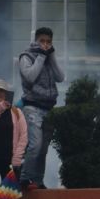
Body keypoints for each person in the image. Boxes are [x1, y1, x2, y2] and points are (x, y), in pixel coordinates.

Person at [18, 27, 65, 189]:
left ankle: (37, 181)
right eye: (42, 41)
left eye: (48, 42)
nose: (45, 44)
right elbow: (30, 76)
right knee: (35, 145)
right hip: (32, 107)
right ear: (36, 41)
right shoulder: (26, 56)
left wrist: (50, 56)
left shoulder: (49, 56)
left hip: (49, 108)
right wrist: (40, 57)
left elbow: (60, 77)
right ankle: (25, 177)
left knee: (43, 149)